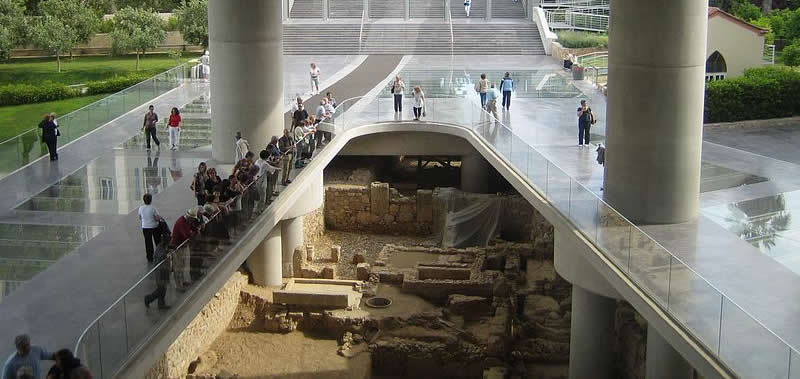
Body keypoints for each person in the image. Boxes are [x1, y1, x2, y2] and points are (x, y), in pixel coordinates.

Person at [170, 207, 203, 291]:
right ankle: (178, 285)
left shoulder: (188, 221)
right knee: (178, 266)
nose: (193, 221)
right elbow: (185, 236)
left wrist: (196, 229)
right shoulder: (180, 222)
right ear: (190, 217)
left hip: (184, 246)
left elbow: (192, 227)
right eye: (192, 219)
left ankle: (183, 280)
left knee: (184, 264)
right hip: (178, 247)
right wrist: (194, 234)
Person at [144, 231, 172, 310]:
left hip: (165, 272)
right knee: (161, 290)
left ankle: (161, 303)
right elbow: (161, 257)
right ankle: (148, 299)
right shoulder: (160, 249)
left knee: (163, 289)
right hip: (160, 273)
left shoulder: (163, 247)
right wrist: (167, 254)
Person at [138, 193, 163, 262]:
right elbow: (157, 218)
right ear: (151, 200)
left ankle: (149, 257)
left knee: (148, 242)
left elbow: (140, 217)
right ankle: (159, 255)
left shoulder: (141, 208)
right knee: (157, 241)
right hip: (154, 226)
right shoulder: (153, 208)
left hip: (145, 227)